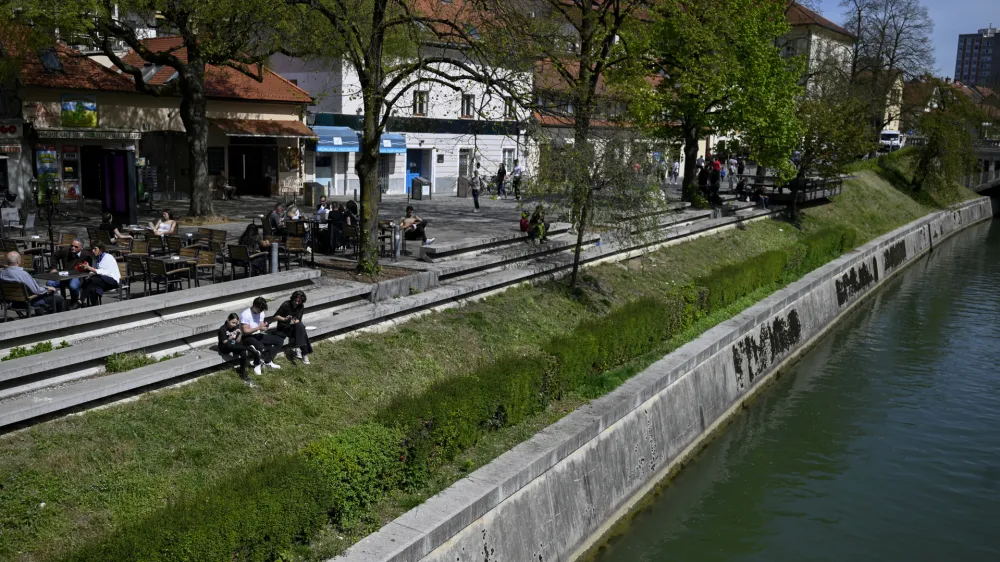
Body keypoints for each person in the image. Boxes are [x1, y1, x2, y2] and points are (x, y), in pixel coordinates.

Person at [240, 297, 283, 371]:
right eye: (259, 309)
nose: (261, 311)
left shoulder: (261, 312)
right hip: (247, 337)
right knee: (260, 346)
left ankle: (268, 361)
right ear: (254, 306)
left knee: (279, 340)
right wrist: (258, 328)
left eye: (262, 310)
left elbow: (261, 327)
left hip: (257, 334)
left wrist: (265, 327)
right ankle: (257, 365)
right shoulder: (246, 314)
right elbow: (245, 331)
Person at [47, 239, 91, 307]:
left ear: (81, 248)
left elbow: (91, 265)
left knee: (73, 286)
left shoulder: (86, 254)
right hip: (64, 275)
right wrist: (54, 268)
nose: (73, 248)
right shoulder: (66, 250)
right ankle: (57, 301)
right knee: (49, 283)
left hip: (76, 276)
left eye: (76, 247)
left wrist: (86, 272)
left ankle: (74, 301)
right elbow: (54, 256)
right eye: (72, 245)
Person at [218, 312, 262, 381]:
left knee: (243, 351)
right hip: (224, 347)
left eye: (236, 323)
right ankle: (249, 348)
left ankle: (242, 373)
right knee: (230, 345)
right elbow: (224, 342)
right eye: (233, 322)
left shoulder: (236, 327)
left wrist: (240, 333)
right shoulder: (222, 329)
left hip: (233, 344)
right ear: (228, 320)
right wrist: (231, 338)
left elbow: (237, 341)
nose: (234, 325)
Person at [274, 290, 313, 365]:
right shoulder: (286, 304)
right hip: (283, 327)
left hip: (293, 327)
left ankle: (299, 350)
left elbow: (299, 320)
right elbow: (275, 317)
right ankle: (304, 353)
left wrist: (295, 321)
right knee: (302, 330)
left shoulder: (301, 306)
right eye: (296, 300)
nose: (297, 303)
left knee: (300, 326)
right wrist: (285, 319)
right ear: (293, 298)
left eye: (299, 301)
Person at [79, 242, 120, 307]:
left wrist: (89, 268)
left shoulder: (108, 257)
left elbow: (103, 271)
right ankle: (95, 307)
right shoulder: (97, 258)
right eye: (92, 249)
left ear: (101, 249)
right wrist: (87, 268)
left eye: (95, 249)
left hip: (112, 281)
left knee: (92, 280)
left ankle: (80, 301)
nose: (93, 251)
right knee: (92, 288)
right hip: (102, 281)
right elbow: (95, 270)